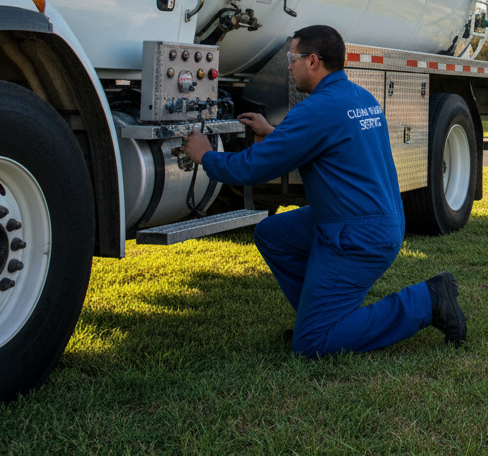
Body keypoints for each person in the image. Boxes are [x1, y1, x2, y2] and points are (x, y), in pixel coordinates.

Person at [181, 24, 466, 357]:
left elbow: (252, 168)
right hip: (373, 219)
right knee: (273, 234)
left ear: (313, 61)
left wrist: (206, 155)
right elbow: (326, 141)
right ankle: (318, 315)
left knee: (311, 344)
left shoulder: (316, 110)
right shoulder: (360, 97)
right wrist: (272, 132)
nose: (289, 66)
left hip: (358, 234)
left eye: (293, 59)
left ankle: (428, 300)